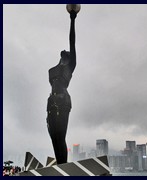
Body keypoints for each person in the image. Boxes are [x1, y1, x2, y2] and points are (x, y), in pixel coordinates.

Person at [46, 10, 77, 164]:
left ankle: (63, 167)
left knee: (60, 135)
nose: (66, 50)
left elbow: (72, 40)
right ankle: (59, 166)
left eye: (68, 51)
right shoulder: (54, 68)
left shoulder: (70, 66)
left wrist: (73, 18)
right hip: (51, 102)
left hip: (63, 100)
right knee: (54, 136)